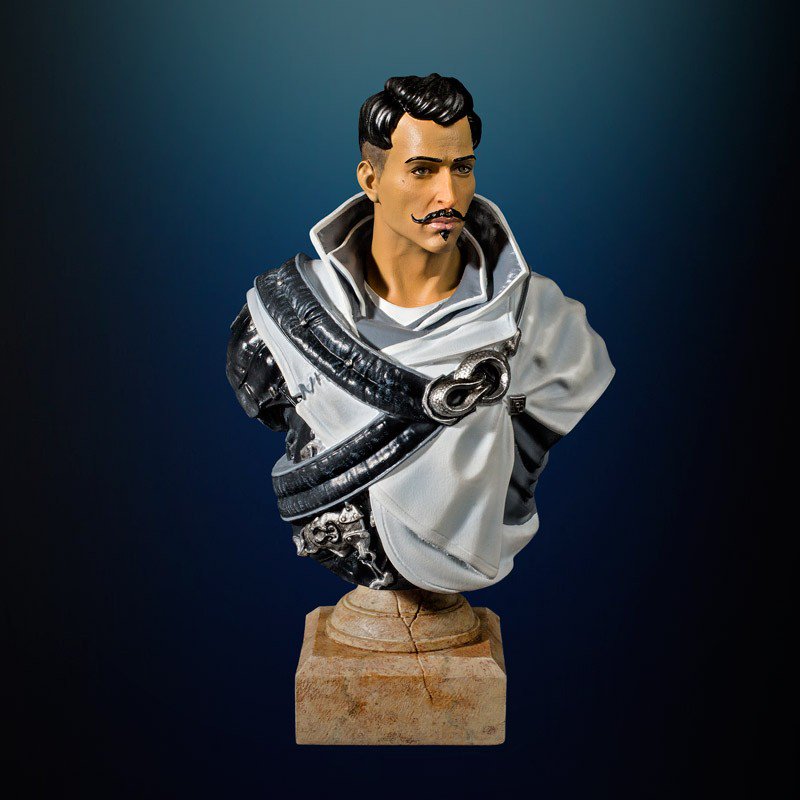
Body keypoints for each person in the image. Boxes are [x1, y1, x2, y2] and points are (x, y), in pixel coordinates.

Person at [226, 73, 615, 594]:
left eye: (462, 169)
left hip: (470, 550)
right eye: (422, 170)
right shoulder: (277, 322)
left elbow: (526, 456)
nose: (448, 194)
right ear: (371, 179)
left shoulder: (545, 321)